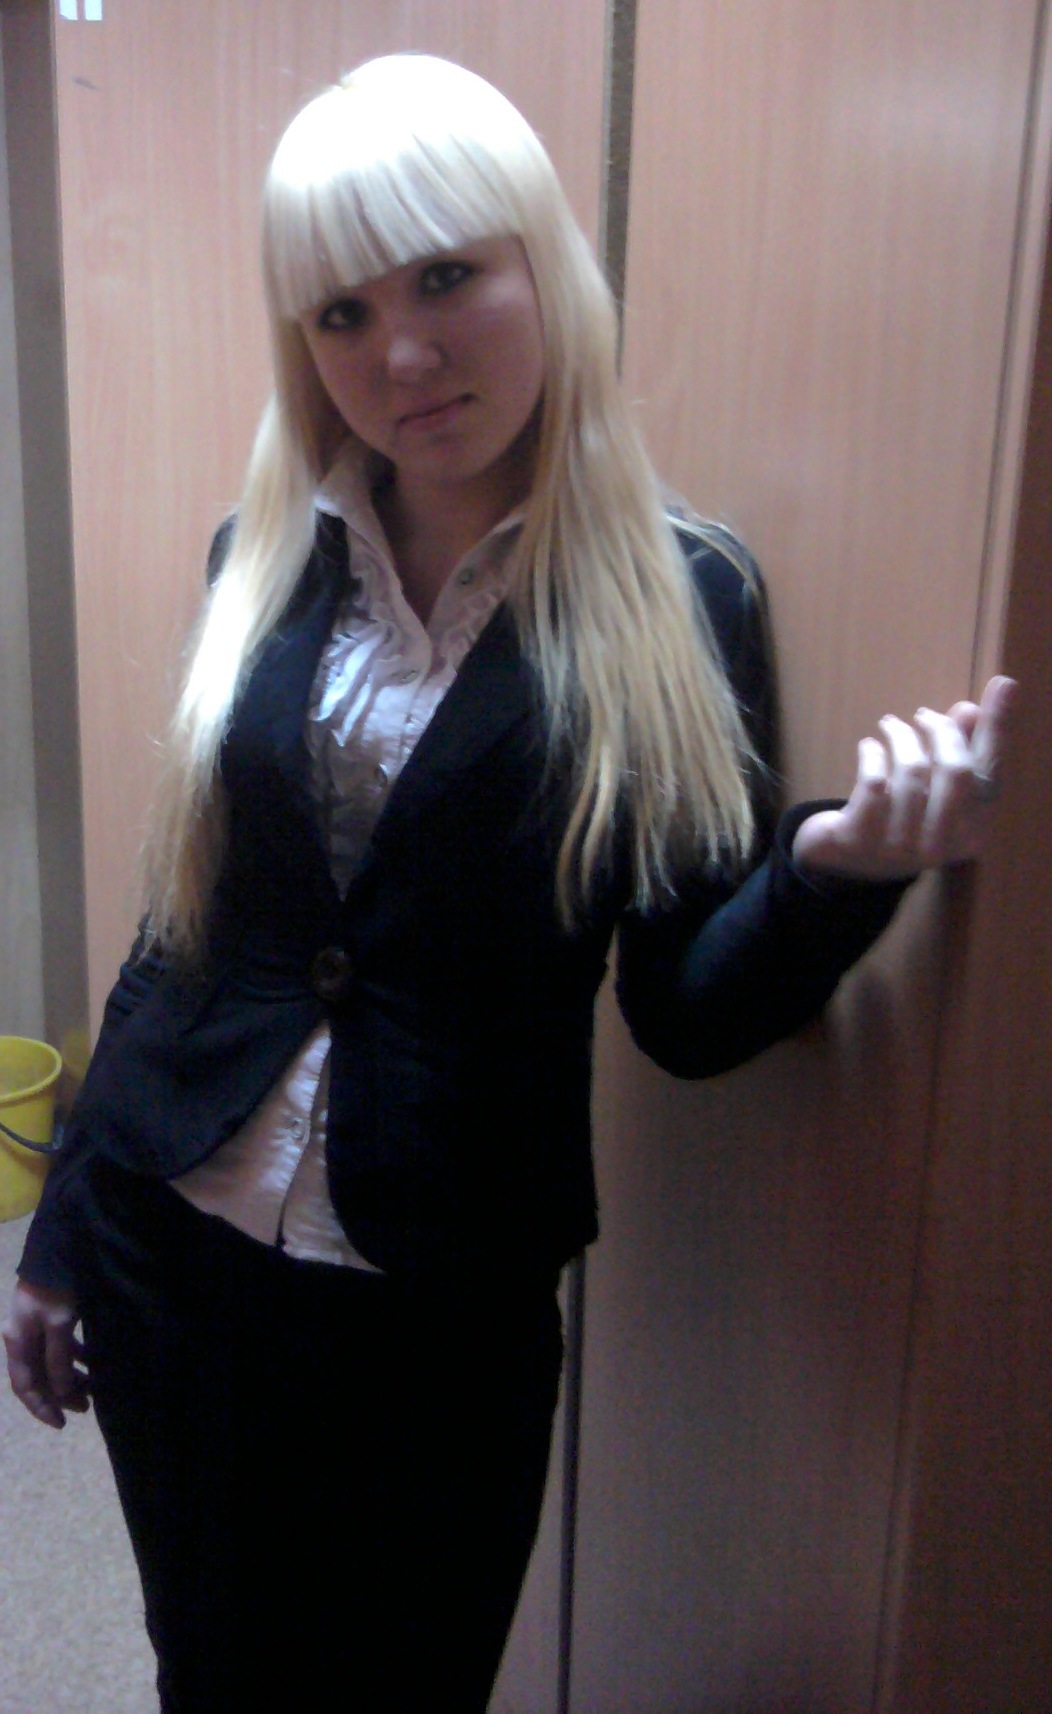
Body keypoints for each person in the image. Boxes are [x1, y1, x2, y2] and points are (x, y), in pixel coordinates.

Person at [3, 53, 1012, 1714]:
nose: (401, 354)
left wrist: (838, 866)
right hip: (174, 1259)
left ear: (544, 265)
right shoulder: (259, 559)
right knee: (210, 1672)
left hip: (440, 1304)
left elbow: (685, 1008)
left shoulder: (680, 599)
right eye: (341, 312)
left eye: (447, 276)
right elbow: (184, 932)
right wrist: (60, 1232)